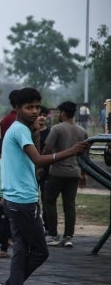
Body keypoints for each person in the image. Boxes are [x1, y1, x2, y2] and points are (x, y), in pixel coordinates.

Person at [0, 88, 88, 285]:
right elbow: (38, 159)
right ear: (18, 109)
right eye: (30, 107)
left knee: (21, 252)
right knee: (40, 251)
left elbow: (31, 159)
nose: (35, 111)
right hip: (22, 201)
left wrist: (36, 133)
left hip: (16, 199)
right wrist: (70, 152)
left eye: (38, 107)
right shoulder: (18, 130)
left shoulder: (21, 130)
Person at [41, 101, 88, 248]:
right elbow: (85, 157)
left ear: (62, 113)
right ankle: (68, 237)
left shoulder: (56, 129)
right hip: (74, 172)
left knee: (49, 200)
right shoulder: (82, 131)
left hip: (57, 171)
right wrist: (83, 174)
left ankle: (53, 234)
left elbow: (47, 149)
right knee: (69, 205)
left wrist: (42, 164)